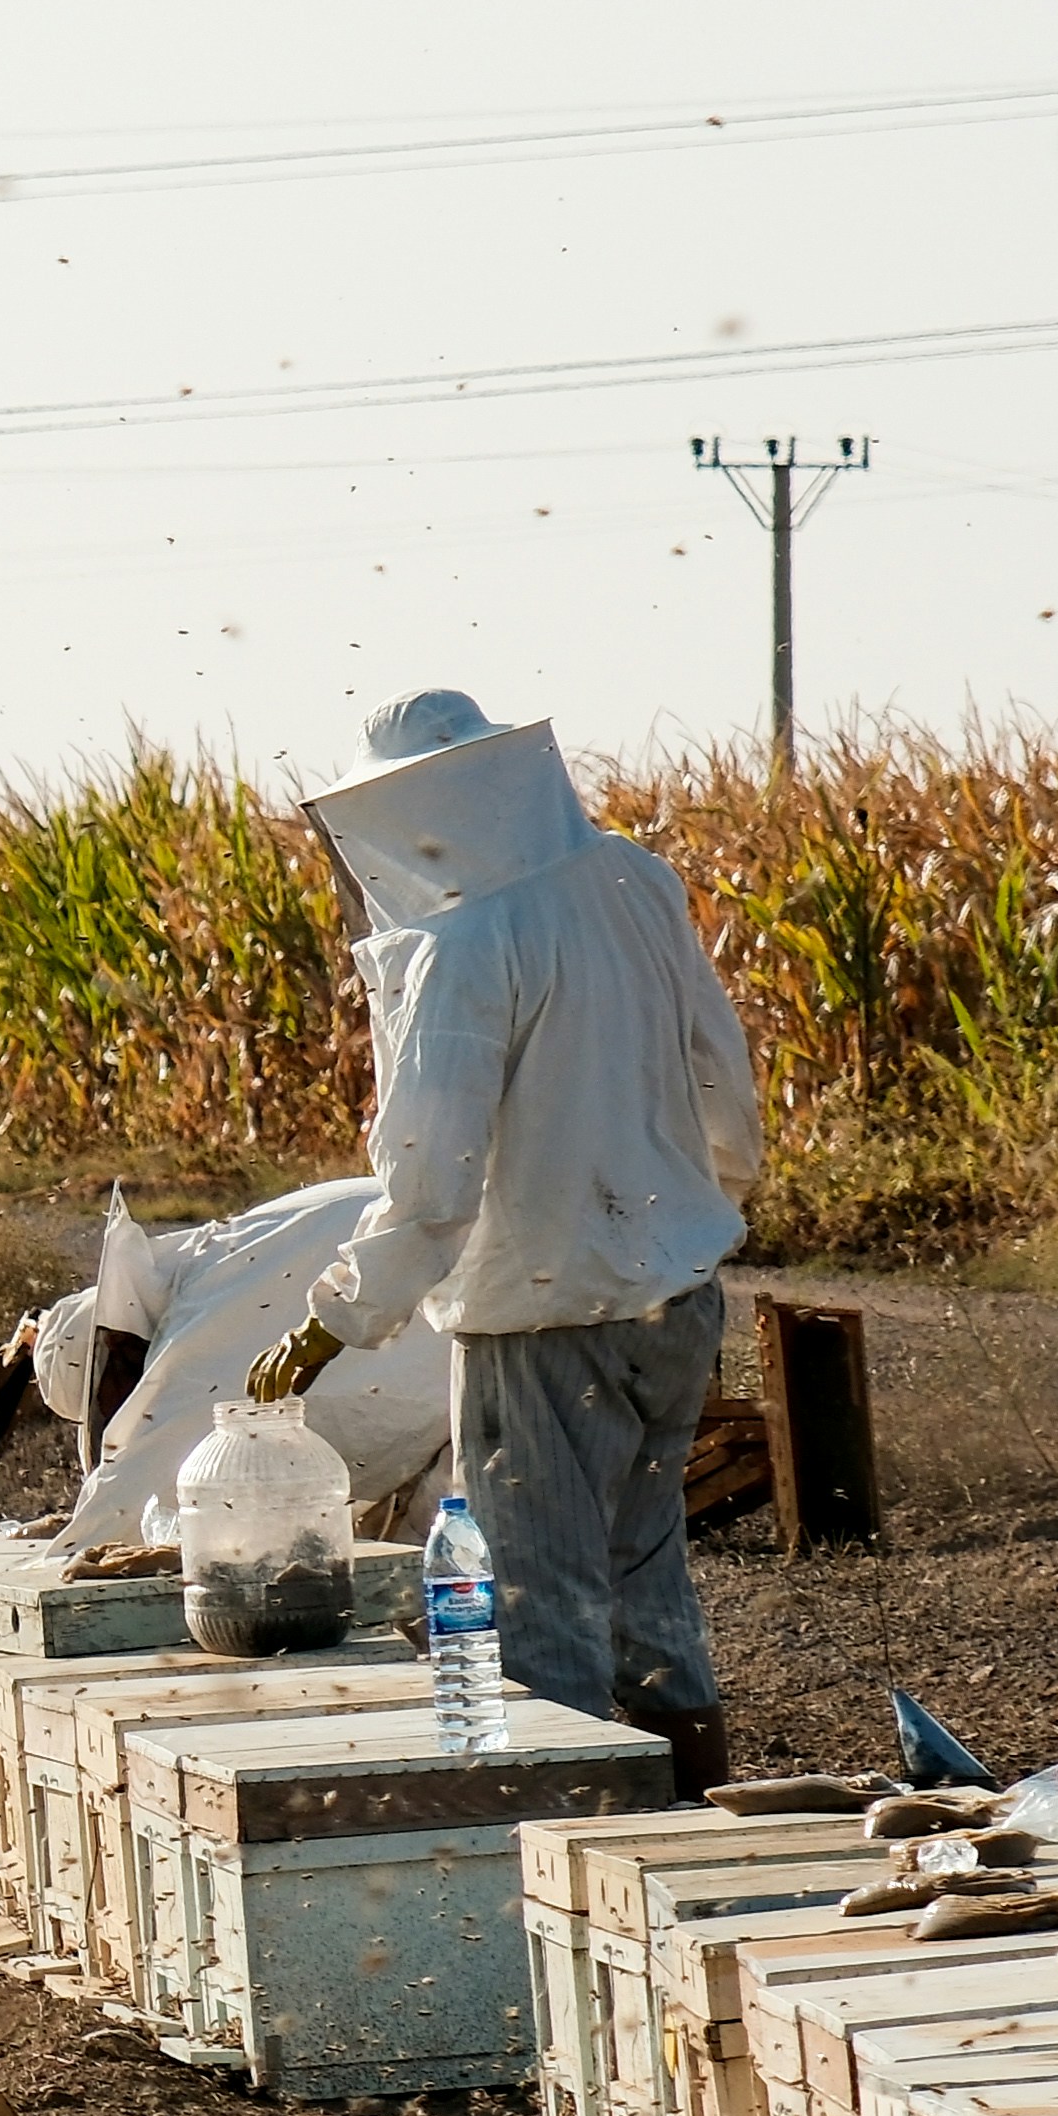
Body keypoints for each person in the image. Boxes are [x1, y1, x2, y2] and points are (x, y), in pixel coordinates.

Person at [258, 692, 765, 1789]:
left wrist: (334, 1318)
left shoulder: (460, 946)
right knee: (645, 1575)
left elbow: (432, 1185)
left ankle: (585, 1858)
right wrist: (692, 1210)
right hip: (674, 1298)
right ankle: (688, 1811)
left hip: (539, 1318)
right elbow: (723, 1072)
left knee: (540, 1612)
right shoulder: (634, 879)